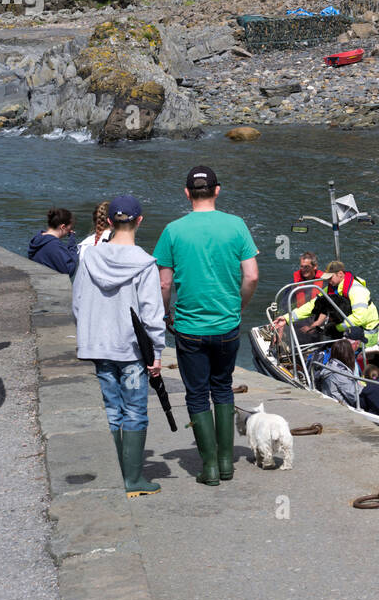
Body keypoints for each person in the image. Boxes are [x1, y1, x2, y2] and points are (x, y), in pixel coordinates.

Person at [154, 166, 259, 487]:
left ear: (187, 193)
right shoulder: (237, 226)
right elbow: (252, 276)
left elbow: (164, 283)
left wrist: (165, 314)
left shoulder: (173, 231)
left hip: (189, 327)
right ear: (217, 190)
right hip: (227, 325)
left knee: (197, 395)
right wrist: (238, 307)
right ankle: (227, 463)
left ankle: (210, 468)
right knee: (223, 388)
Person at [72, 195, 165, 497]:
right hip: (132, 352)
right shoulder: (145, 263)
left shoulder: (89, 258)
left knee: (111, 410)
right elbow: (152, 315)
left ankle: (116, 476)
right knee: (135, 410)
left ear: (109, 222)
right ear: (140, 221)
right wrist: (157, 353)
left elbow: (77, 304)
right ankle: (134, 480)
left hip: (99, 347)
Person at [278, 259, 379, 346]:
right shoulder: (332, 289)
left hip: (365, 336)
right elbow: (313, 305)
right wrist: (287, 318)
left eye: (330, 278)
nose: (328, 281)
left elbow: (359, 318)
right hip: (348, 331)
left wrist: (336, 328)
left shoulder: (356, 290)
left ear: (340, 274)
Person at [28, 208, 79, 277]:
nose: (70, 230)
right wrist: (72, 244)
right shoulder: (54, 246)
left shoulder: (37, 239)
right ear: (63, 227)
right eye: (71, 227)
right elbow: (69, 271)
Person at [315, 337, 362, 407]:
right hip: (344, 409)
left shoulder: (329, 366)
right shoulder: (341, 374)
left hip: (332, 403)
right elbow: (357, 397)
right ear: (349, 355)